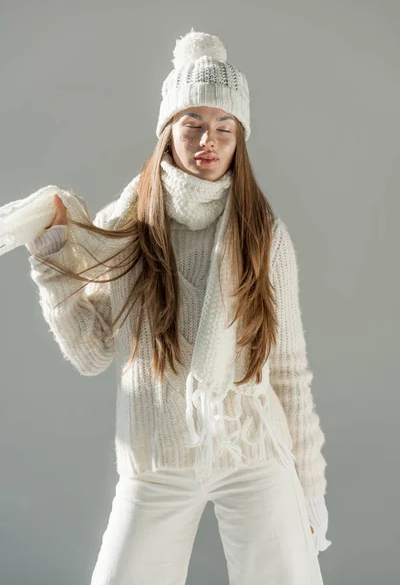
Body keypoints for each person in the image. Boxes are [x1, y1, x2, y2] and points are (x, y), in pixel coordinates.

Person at [26, 29, 331, 584]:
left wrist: (310, 494)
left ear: (240, 140)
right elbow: (92, 354)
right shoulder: (126, 230)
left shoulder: (265, 236)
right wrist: (53, 264)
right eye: (193, 125)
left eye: (224, 128)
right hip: (157, 456)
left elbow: (289, 373)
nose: (207, 141)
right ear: (168, 133)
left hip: (249, 449)